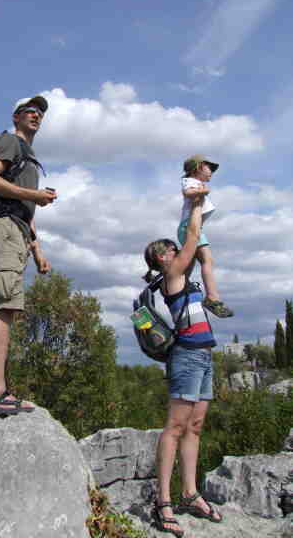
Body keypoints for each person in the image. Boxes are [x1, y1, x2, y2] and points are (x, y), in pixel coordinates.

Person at [0, 95, 57, 416]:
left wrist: (37, 250)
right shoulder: (10, 142)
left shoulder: (26, 154)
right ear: (16, 117)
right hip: (4, 229)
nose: (36, 115)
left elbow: (25, 209)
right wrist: (34, 194)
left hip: (14, 231)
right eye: (30, 110)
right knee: (4, 307)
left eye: (40, 112)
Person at [143, 195, 223, 537]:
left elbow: (194, 245)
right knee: (175, 427)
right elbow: (192, 238)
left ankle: (189, 494)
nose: (177, 251)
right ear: (163, 257)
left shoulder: (182, 275)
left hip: (203, 354)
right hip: (187, 357)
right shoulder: (172, 275)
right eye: (172, 249)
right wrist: (196, 203)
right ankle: (163, 501)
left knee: (195, 426)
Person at [178, 154, 233, 318]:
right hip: (190, 227)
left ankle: (178, 289)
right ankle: (212, 297)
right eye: (209, 168)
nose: (211, 172)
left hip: (191, 227)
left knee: (188, 265)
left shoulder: (197, 182)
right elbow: (187, 192)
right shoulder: (191, 181)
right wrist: (202, 191)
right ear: (198, 168)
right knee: (207, 260)